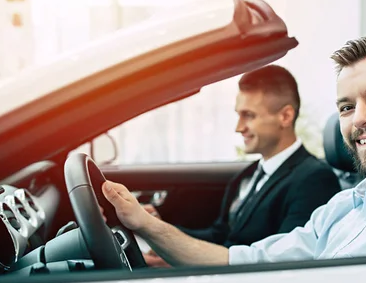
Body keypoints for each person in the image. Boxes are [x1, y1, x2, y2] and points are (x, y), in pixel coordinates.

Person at [102, 36, 366, 267]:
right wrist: (146, 226)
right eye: (347, 107)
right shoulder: (344, 207)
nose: (360, 119)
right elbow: (243, 263)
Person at [141, 65, 341, 267]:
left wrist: (183, 262)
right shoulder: (249, 173)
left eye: (249, 115)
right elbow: (221, 235)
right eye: (239, 115)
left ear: (285, 117)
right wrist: (161, 229)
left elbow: (285, 260)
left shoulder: (314, 179)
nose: (239, 127)